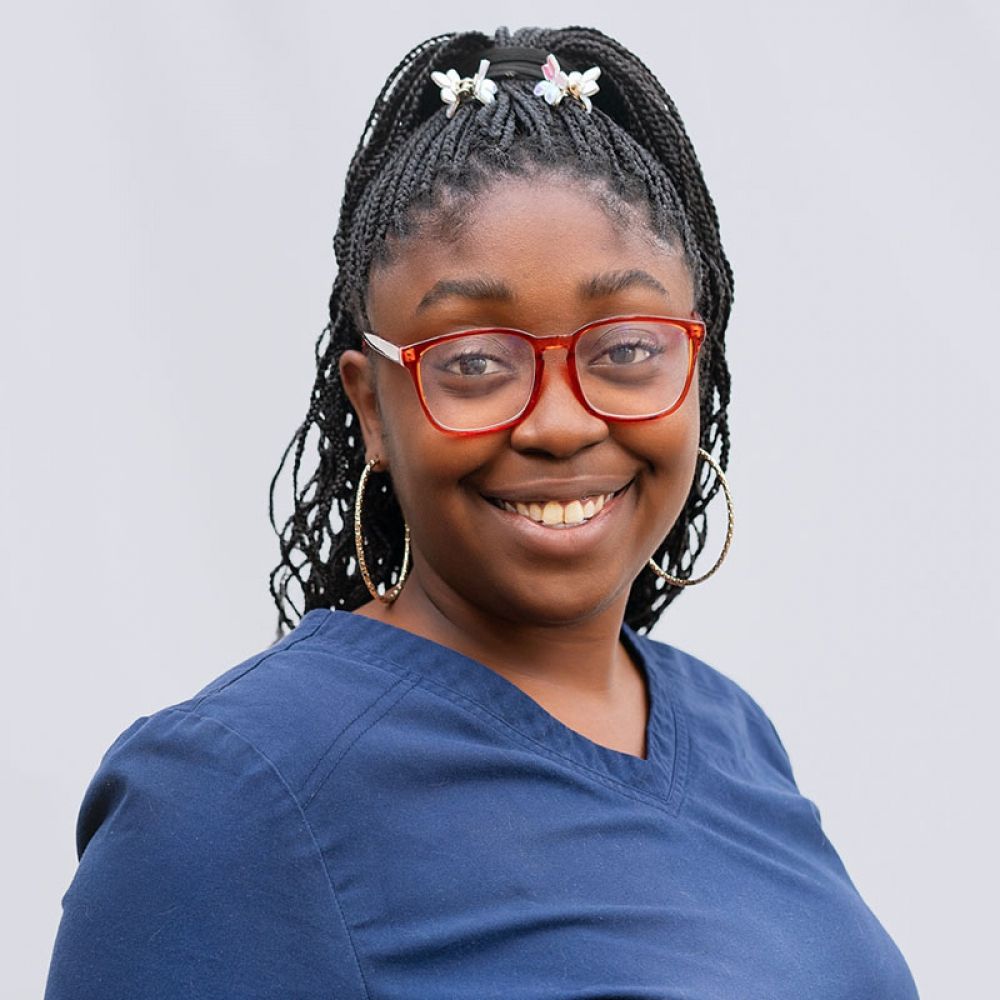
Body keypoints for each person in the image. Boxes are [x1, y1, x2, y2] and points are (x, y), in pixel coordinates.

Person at [44, 26, 920, 999]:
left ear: (694, 366)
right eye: (473, 362)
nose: (556, 421)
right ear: (372, 404)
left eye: (626, 348)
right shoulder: (231, 792)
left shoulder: (729, 731)